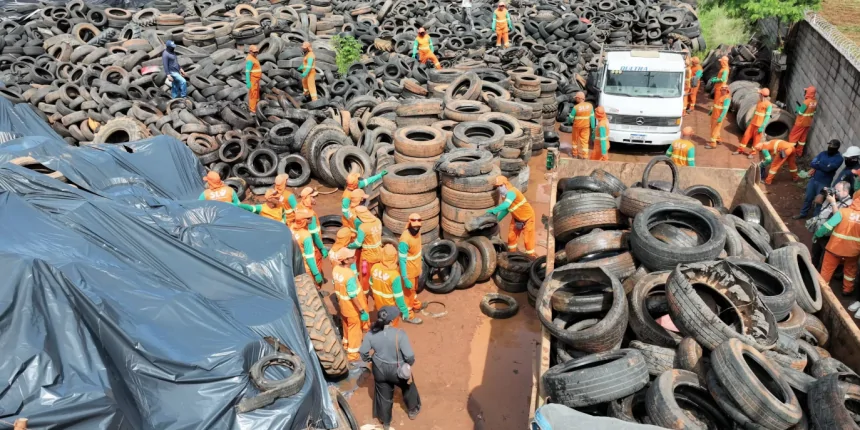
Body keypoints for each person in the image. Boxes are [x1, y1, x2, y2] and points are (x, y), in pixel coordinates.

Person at [360, 305, 421, 430]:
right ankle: (412, 410)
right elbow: (409, 356)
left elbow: (363, 352)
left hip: (380, 370)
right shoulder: (400, 334)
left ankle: (386, 422)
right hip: (398, 370)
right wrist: (408, 364)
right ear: (392, 320)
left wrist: (370, 360)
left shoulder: (371, 334)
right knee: (408, 387)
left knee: (384, 395)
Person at [814, 190, 860, 297]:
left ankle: (823, 289)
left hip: (834, 248)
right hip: (853, 252)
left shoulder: (843, 212)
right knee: (850, 271)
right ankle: (847, 289)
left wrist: (817, 235)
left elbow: (827, 226)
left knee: (827, 269)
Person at [332, 247, 370, 362]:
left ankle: (346, 345)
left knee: (346, 326)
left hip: (343, 306)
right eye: (352, 257)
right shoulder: (349, 275)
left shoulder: (335, 269)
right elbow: (352, 295)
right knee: (355, 331)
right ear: (346, 260)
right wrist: (362, 310)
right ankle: (353, 355)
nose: (355, 257)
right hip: (352, 308)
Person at [794, 139, 844, 219]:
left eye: (832, 147)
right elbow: (812, 163)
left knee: (819, 201)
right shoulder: (823, 153)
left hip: (824, 183)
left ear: (837, 148)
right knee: (808, 198)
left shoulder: (839, 158)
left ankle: (815, 218)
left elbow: (828, 169)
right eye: (829, 146)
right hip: (814, 179)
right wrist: (825, 166)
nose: (830, 148)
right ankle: (803, 213)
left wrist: (819, 164)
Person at [808, 181, 853, 269]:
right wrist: (822, 192)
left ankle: (820, 278)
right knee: (815, 255)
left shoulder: (850, 204)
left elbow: (838, 218)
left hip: (831, 237)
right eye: (834, 189)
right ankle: (811, 272)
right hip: (820, 231)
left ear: (845, 192)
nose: (834, 192)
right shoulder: (831, 197)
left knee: (825, 260)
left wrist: (833, 202)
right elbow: (817, 201)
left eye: (838, 190)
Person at [487, 176, 536, 255]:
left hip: (528, 218)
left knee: (528, 241)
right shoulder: (505, 196)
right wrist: (497, 220)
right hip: (516, 218)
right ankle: (512, 255)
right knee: (511, 237)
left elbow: (506, 205)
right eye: (498, 187)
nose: (499, 188)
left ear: (505, 184)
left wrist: (494, 210)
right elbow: (506, 210)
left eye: (501, 186)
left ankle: (531, 257)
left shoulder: (512, 192)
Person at [370, 245, 410, 327]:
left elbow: (371, 283)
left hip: (379, 305)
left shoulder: (374, 268)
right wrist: (405, 311)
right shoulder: (395, 276)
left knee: (382, 324)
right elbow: (398, 297)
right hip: (391, 308)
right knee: (392, 329)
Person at [348, 206, 383, 297]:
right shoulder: (378, 221)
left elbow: (358, 243)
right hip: (379, 255)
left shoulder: (363, 227)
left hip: (367, 258)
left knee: (365, 278)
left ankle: (364, 297)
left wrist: (349, 246)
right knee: (376, 276)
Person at [398, 214, 425, 324]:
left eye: (418, 226)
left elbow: (418, 248)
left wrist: (421, 260)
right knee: (408, 294)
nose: (416, 228)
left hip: (416, 268)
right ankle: (407, 315)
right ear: (409, 223)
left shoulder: (418, 232)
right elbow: (402, 260)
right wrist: (404, 277)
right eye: (414, 226)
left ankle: (415, 305)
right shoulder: (405, 239)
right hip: (408, 272)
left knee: (414, 290)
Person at [293, 209, 326, 287]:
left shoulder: (291, 228)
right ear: (303, 221)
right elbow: (309, 258)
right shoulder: (306, 236)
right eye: (309, 218)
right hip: (306, 267)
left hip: (295, 265)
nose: (312, 219)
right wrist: (316, 273)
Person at [735, 88, 772, 157]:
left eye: (759, 94)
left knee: (756, 140)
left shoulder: (768, 105)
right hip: (752, 123)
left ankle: (753, 153)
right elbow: (755, 112)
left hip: (759, 125)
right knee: (746, 136)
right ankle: (740, 149)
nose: (758, 95)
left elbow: (767, 117)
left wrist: (762, 126)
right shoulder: (759, 102)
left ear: (762, 95)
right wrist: (750, 120)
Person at [297, 187, 329, 261]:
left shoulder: (298, 207)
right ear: (307, 197)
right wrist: (322, 247)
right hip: (312, 244)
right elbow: (314, 235)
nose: (315, 199)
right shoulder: (310, 215)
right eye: (313, 197)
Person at [565, 91, 595, 159]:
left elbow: (570, 118)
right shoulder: (590, 106)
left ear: (579, 98)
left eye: (576, 98)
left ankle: (575, 154)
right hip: (586, 127)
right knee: (585, 142)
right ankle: (585, 156)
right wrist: (593, 127)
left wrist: (569, 123)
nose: (575, 99)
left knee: (575, 141)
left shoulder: (576, 107)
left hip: (576, 127)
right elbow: (592, 118)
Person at [788, 86, 818, 155]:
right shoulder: (815, 102)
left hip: (800, 122)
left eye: (806, 91)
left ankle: (789, 151)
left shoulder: (806, 102)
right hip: (808, 123)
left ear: (808, 93)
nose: (805, 92)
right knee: (802, 138)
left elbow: (800, 112)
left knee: (793, 136)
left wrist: (798, 108)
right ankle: (799, 152)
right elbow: (814, 112)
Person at [245, 45, 262, 113]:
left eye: (257, 52)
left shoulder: (254, 57)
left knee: (257, 94)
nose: (256, 53)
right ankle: (252, 110)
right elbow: (247, 72)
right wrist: (248, 82)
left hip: (256, 80)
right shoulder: (250, 59)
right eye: (254, 52)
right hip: (253, 80)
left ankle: (257, 107)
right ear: (250, 51)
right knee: (253, 95)